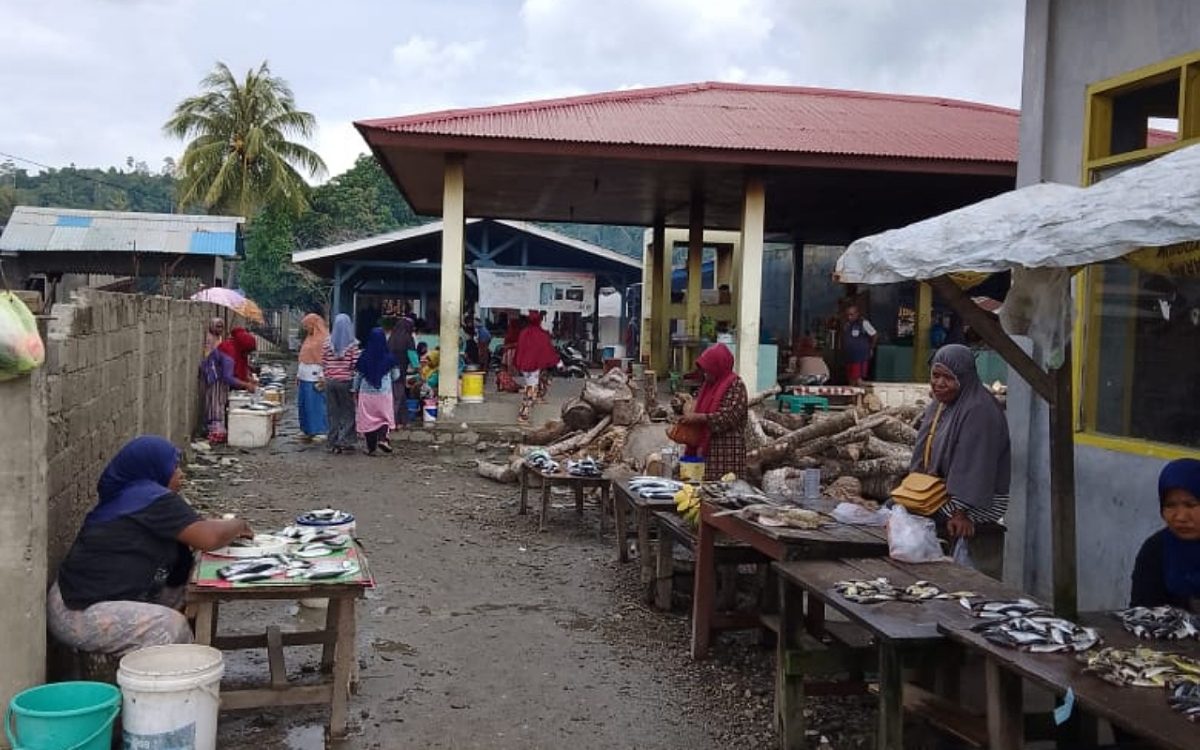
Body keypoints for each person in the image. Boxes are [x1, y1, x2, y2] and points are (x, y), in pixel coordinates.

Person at [47, 436, 253, 657]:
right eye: (174, 467)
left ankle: (186, 660)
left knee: (192, 583)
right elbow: (208, 538)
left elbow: (195, 529)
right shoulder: (149, 498)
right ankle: (167, 686)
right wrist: (237, 524)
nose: (180, 473)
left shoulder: (134, 494)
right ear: (154, 469)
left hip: (94, 595)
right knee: (170, 627)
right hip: (79, 611)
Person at [911, 344, 1011, 541]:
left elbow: (974, 464)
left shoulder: (979, 410)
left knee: (918, 517)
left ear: (963, 379)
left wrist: (960, 512)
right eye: (935, 375)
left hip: (981, 500)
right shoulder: (941, 404)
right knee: (895, 507)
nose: (938, 383)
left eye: (948, 378)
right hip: (943, 490)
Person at [1130, 459, 1200, 611]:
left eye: (1191, 505)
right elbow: (1142, 614)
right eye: (1170, 505)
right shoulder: (1155, 550)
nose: (1180, 517)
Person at [676, 344, 749, 480]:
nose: (705, 374)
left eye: (708, 370)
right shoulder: (708, 387)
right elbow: (698, 407)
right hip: (707, 452)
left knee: (725, 492)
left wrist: (699, 418)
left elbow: (729, 417)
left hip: (727, 455)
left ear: (718, 367)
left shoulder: (735, 385)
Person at [198, 330, 256, 443]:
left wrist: (249, 379)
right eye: (247, 351)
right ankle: (213, 429)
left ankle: (215, 427)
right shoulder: (229, 353)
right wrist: (246, 385)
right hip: (215, 377)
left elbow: (241, 369)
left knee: (221, 401)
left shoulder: (236, 348)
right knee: (216, 402)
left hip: (222, 377)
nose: (247, 354)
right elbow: (228, 377)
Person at [353, 328, 401, 456]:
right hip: (384, 393)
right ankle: (383, 439)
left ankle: (371, 448)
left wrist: (354, 390)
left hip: (366, 393)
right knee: (384, 417)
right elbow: (396, 376)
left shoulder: (363, 355)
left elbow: (358, 375)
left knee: (368, 419)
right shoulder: (390, 357)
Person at [322, 314, 360, 454]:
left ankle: (332, 442)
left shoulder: (327, 344)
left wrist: (329, 375)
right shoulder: (353, 345)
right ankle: (345, 441)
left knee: (333, 412)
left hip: (330, 382)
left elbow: (324, 363)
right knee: (348, 412)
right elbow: (355, 364)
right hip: (346, 382)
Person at [514, 310, 561, 424]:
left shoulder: (524, 333)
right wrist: (557, 362)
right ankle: (524, 413)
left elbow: (519, 348)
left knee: (537, 382)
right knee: (531, 389)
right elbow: (548, 350)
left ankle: (537, 397)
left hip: (525, 365)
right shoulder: (541, 334)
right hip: (534, 365)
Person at [296, 313, 329, 441]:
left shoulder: (324, 339)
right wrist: (299, 374)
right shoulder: (309, 338)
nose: (306, 328)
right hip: (304, 375)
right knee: (304, 404)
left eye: (307, 325)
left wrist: (322, 375)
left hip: (315, 376)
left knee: (316, 404)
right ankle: (306, 429)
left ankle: (320, 429)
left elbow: (325, 359)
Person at [387, 317, 419, 424]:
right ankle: (393, 421)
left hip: (389, 369)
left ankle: (404, 419)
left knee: (399, 395)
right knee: (398, 397)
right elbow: (412, 356)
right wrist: (418, 367)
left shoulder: (391, 337)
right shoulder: (408, 338)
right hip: (400, 370)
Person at [842, 305, 876, 386]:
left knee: (858, 379)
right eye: (848, 315)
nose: (849, 317)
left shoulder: (864, 323)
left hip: (860, 356)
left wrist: (871, 348)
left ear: (857, 314)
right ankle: (852, 398)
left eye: (851, 314)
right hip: (850, 356)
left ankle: (860, 396)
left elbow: (874, 335)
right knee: (850, 379)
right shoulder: (847, 325)